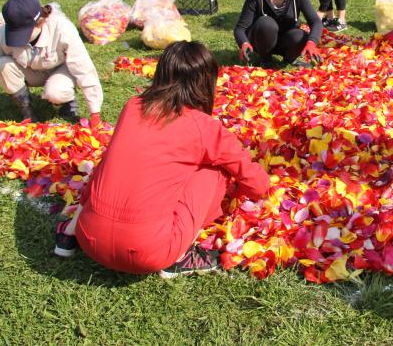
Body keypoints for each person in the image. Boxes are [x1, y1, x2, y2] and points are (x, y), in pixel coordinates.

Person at [56, 41, 271, 278]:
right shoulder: (204, 127)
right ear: (205, 83)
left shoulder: (133, 106)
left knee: (115, 158)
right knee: (217, 170)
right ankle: (178, 257)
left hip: (89, 237)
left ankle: (71, 230)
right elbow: (257, 185)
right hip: (150, 252)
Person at [0, 0, 102, 129]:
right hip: (31, 71)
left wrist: (95, 112)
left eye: (23, 32)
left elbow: (83, 68)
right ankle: (27, 111)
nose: (18, 37)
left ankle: (68, 103)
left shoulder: (62, 29)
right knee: (2, 65)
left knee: (56, 91)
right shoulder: (1, 36)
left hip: (62, 68)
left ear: (41, 21)